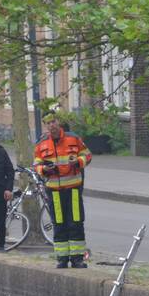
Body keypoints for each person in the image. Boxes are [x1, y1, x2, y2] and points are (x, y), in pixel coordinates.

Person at [33, 114, 92, 268]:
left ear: (58, 122)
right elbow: (36, 164)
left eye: (53, 121)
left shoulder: (73, 138)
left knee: (76, 223)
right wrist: (43, 169)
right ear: (45, 125)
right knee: (59, 223)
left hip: (73, 189)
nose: (51, 125)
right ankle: (62, 258)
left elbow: (87, 155)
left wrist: (78, 161)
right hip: (54, 191)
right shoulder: (41, 143)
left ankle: (77, 258)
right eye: (48, 123)